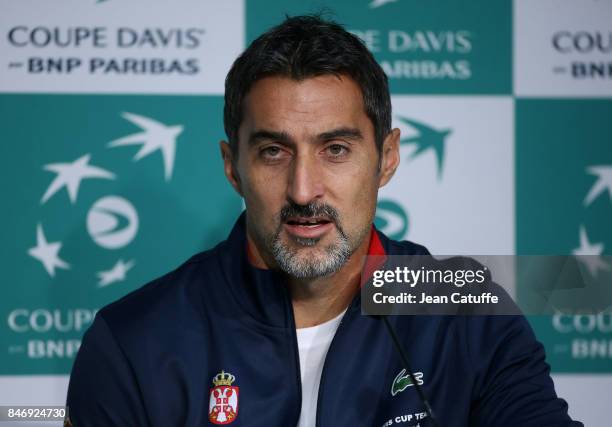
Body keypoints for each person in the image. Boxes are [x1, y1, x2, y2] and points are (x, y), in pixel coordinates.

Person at [66, 15, 582, 427]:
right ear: (232, 167)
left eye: (335, 149)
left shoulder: (466, 312)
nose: (303, 190)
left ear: (386, 158)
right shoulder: (134, 339)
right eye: (273, 151)